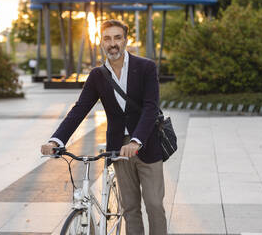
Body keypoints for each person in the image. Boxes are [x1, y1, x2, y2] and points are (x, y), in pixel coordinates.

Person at [41, 19, 167, 235]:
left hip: (146, 144)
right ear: (101, 42)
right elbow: (79, 110)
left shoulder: (146, 67)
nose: (113, 43)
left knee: (154, 204)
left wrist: (136, 140)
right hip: (118, 148)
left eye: (117, 37)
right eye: (107, 38)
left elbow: (150, 108)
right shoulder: (97, 76)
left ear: (126, 40)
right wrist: (56, 140)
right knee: (130, 209)